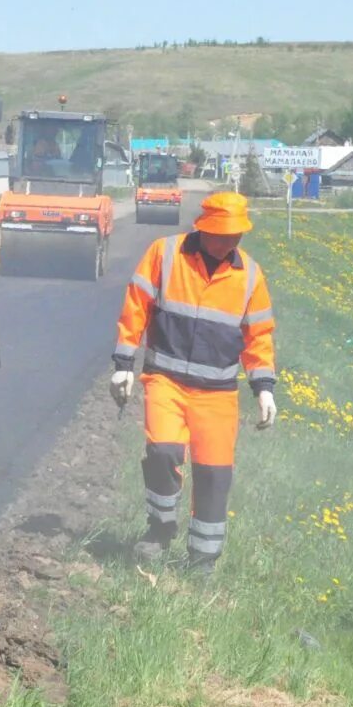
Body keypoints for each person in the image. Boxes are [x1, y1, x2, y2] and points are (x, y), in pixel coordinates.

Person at [111, 191, 277, 570]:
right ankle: (159, 530)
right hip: (165, 380)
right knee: (164, 451)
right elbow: (135, 308)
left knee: (215, 474)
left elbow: (259, 337)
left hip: (217, 394)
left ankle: (203, 560)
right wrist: (124, 362)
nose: (228, 242)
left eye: (235, 235)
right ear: (202, 229)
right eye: (221, 234)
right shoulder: (164, 254)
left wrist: (264, 389)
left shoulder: (250, 275)